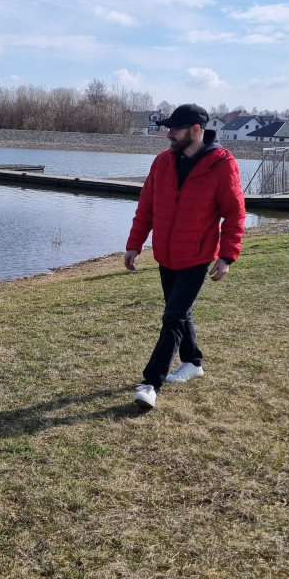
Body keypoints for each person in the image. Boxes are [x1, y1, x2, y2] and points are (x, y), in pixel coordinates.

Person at [124, 104, 245, 409]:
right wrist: (134, 244)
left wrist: (226, 257)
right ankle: (192, 362)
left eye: (175, 129)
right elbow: (147, 206)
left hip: (197, 256)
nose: (169, 134)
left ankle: (151, 382)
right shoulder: (163, 162)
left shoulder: (222, 164)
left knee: (173, 316)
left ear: (195, 130)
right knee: (179, 312)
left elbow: (234, 214)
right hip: (165, 254)